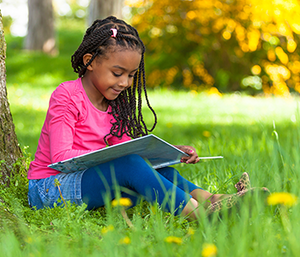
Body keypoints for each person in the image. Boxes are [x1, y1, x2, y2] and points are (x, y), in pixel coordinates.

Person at [27, 16, 262, 220]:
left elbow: (129, 150)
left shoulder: (116, 104)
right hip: (50, 187)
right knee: (130, 164)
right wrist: (123, 159)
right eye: (117, 73)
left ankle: (214, 199)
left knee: (152, 168)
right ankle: (201, 216)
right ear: (89, 61)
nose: (125, 83)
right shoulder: (67, 96)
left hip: (89, 181)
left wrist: (170, 152)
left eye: (131, 75)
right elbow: (60, 157)